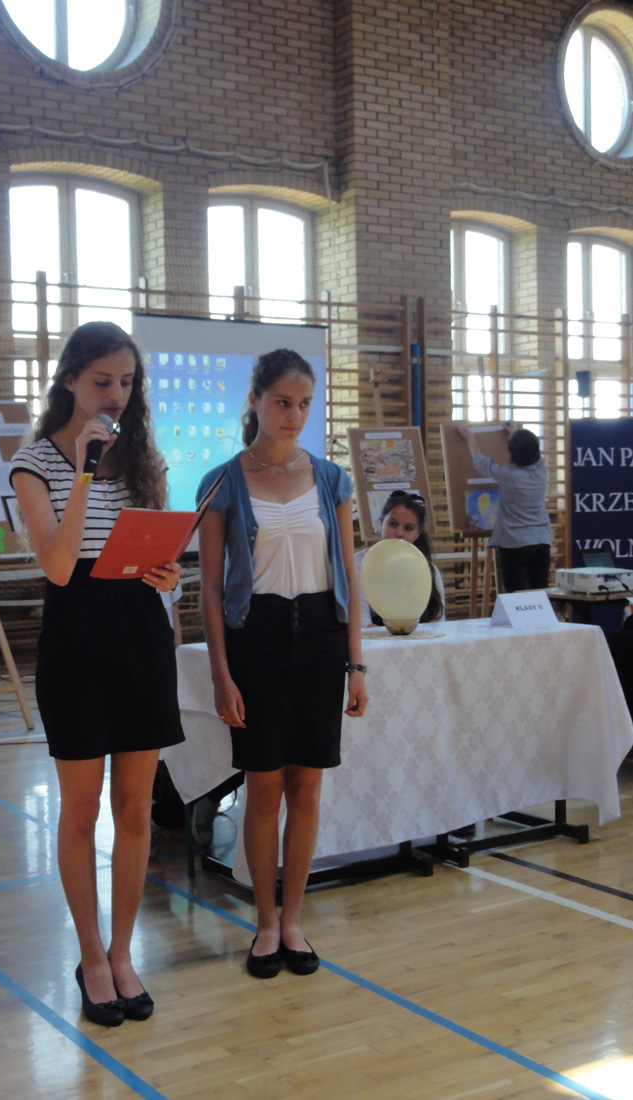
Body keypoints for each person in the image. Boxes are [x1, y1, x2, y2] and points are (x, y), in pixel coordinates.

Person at [10, 321, 184, 1028]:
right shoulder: (33, 463)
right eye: (103, 381)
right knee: (80, 810)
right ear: (70, 381)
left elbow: (153, 552)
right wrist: (83, 468)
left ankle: (121, 952)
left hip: (139, 631)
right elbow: (56, 566)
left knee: (135, 808)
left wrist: (167, 576)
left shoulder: (142, 458)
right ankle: (89, 955)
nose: (117, 394)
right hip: (77, 639)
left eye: (127, 381)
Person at [197, 348, 368, 980]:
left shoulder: (331, 479)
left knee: (307, 786)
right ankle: (265, 923)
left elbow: (348, 572)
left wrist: (356, 665)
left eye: (303, 404)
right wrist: (221, 674)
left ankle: (294, 919)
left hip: (321, 635)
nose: (293, 415)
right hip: (258, 639)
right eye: (282, 403)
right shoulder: (222, 482)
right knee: (263, 786)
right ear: (255, 401)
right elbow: (209, 589)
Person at [458, 423, 552, 592]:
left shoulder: (508, 476)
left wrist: (469, 437)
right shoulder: (541, 471)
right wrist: (515, 432)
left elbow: (480, 463)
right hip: (541, 541)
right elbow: (528, 452)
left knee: (515, 598)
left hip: (514, 543)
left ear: (513, 453)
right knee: (540, 596)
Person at [355, 490, 445, 627]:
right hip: (376, 639)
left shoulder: (429, 570)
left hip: (419, 638)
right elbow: (361, 624)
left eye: (408, 528)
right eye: (393, 524)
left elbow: (438, 624)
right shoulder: (358, 564)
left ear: (417, 533)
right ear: (381, 524)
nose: (399, 533)